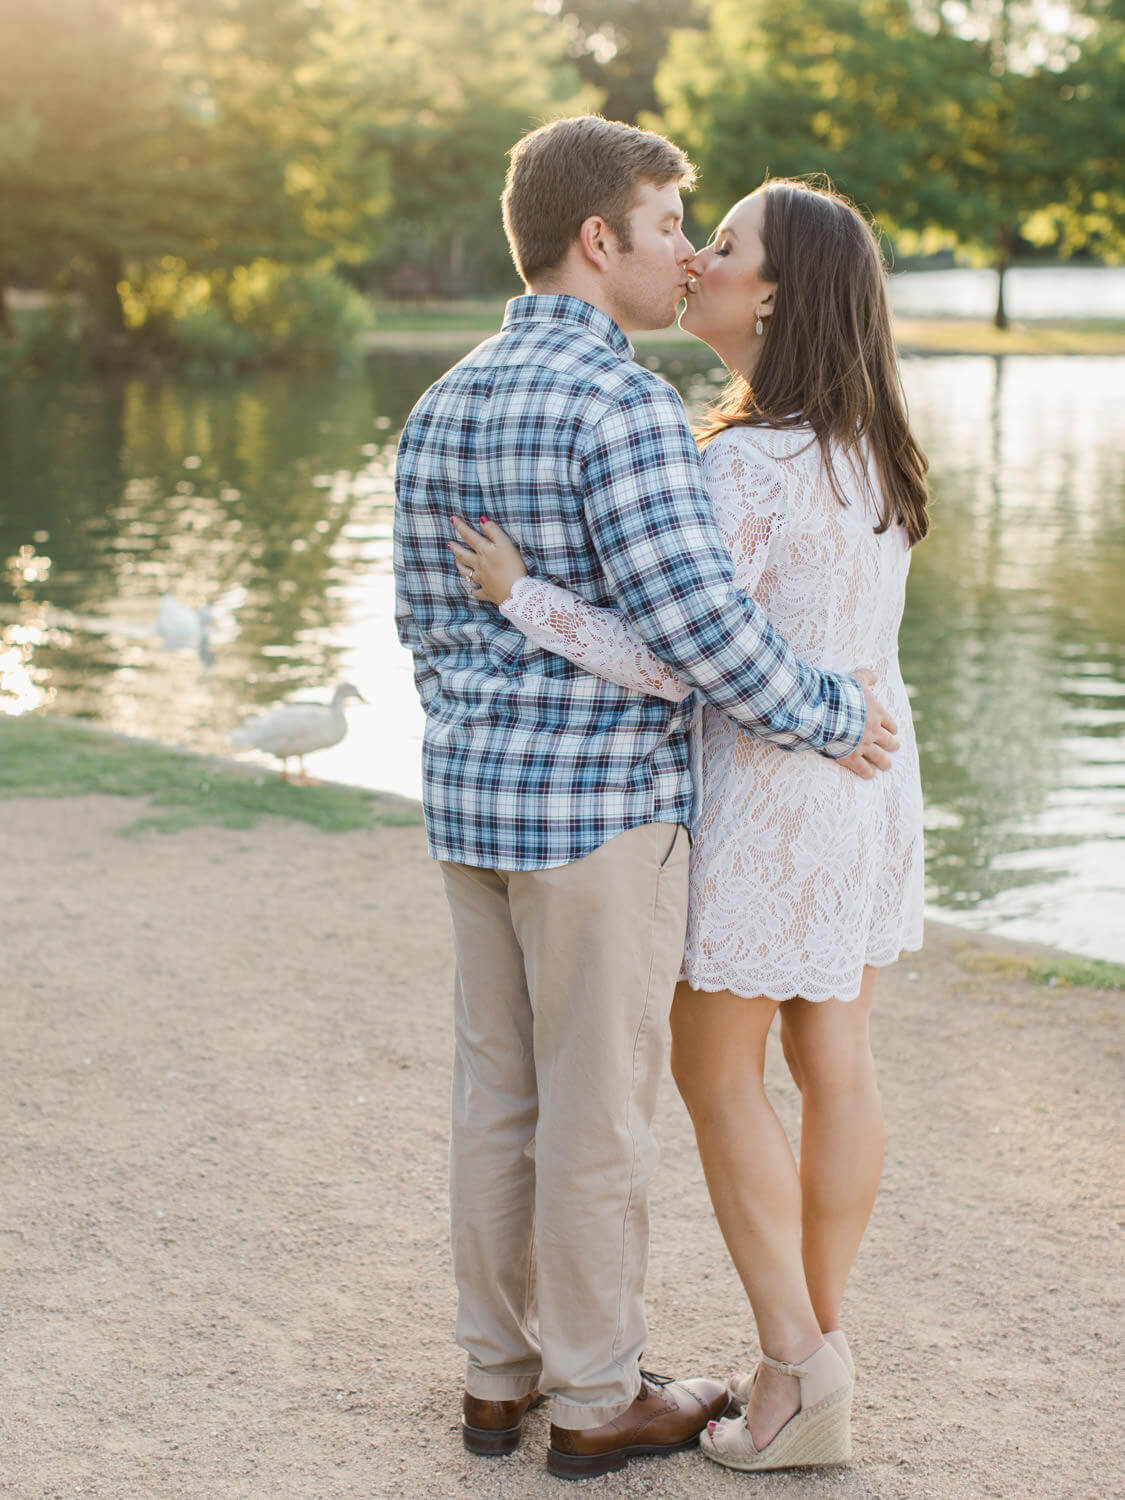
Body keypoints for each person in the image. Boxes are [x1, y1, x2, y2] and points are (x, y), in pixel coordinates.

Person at [393, 117, 899, 1481]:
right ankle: (600, 1394)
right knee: (601, 1109)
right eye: (669, 224)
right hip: (598, 820)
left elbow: (420, 627)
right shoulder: (620, 407)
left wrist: (483, 722)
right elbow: (704, 642)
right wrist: (833, 712)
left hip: (471, 812)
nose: (683, 252)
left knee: (496, 1098)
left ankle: (498, 1382)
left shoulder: (443, 400)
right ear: (596, 240)